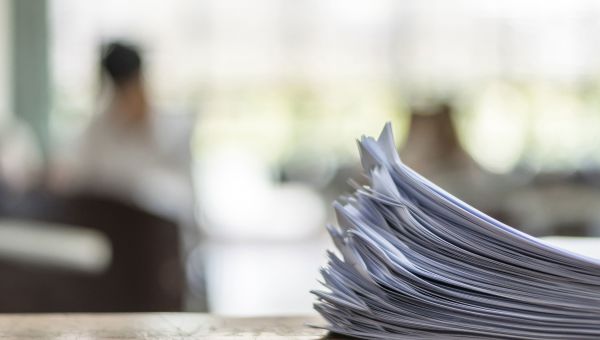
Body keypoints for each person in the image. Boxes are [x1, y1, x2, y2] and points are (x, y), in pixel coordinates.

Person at [54, 41, 199, 254]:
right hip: (114, 248)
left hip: (162, 248)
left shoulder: (174, 131)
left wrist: (136, 185)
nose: (129, 100)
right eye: (121, 93)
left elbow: (184, 201)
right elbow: (76, 178)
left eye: (133, 89)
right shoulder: (97, 131)